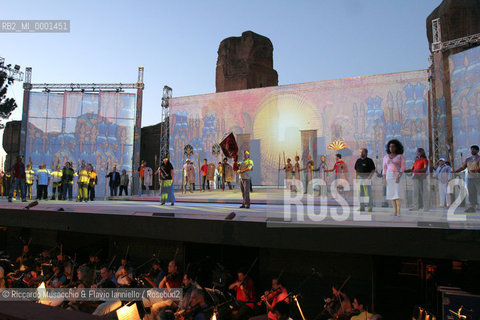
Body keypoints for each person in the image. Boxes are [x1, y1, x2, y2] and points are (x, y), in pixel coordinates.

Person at [383, 139, 406, 216]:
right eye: (390, 147)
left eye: (393, 147)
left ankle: (399, 211)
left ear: (396, 147)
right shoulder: (386, 157)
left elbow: (403, 167)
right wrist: (384, 178)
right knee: (392, 193)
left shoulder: (400, 156)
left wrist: (399, 176)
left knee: (397, 193)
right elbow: (384, 168)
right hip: (389, 176)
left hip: (397, 175)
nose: (391, 148)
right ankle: (395, 211)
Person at [454, 145, 480, 212]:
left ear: (477, 151)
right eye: (471, 149)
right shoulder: (468, 159)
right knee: (471, 192)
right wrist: (456, 171)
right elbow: (463, 167)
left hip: (478, 178)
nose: (472, 151)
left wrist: (476, 170)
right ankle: (472, 206)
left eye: (474, 149)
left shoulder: (479, 158)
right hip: (470, 178)